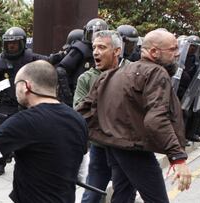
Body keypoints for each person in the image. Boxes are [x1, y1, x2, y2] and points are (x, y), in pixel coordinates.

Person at [0, 60, 88, 203]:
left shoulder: (25, 121)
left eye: (16, 85)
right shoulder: (78, 120)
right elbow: (81, 174)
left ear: (26, 86)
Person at [76, 30, 192, 203]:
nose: (177, 53)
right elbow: (156, 119)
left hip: (116, 147)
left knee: (123, 196)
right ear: (154, 52)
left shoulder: (112, 75)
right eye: (173, 49)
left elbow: (82, 112)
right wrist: (178, 158)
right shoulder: (156, 73)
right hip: (134, 150)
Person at [0, 27, 49, 176]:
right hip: (7, 103)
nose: (11, 46)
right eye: (8, 44)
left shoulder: (31, 58)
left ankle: (26, 162)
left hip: (28, 103)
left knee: (30, 134)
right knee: (0, 132)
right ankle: (0, 162)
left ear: (23, 43)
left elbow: (50, 61)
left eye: (15, 43)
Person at [73, 30, 123, 203]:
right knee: (92, 193)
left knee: (124, 194)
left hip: (126, 148)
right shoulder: (86, 79)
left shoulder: (133, 71)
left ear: (117, 51)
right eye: (94, 47)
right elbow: (80, 111)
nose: (95, 52)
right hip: (99, 146)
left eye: (102, 47)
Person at [56, 18, 108, 106]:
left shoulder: (107, 50)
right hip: (77, 93)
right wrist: (68, 95)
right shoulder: (80, 49)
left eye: (99, 35)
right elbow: (61, 70)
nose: (95, 39)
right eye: (92, 34)